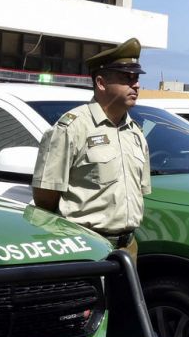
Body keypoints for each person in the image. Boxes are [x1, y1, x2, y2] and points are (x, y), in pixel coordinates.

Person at [31, 37, 152, 255]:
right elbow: (45, 196)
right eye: (126, 78)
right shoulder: (72, 128)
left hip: (128, 247)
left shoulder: (135, 132)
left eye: (136, 78)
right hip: (85, 246)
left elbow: (138, 193)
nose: (136, 84)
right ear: (101, 83)